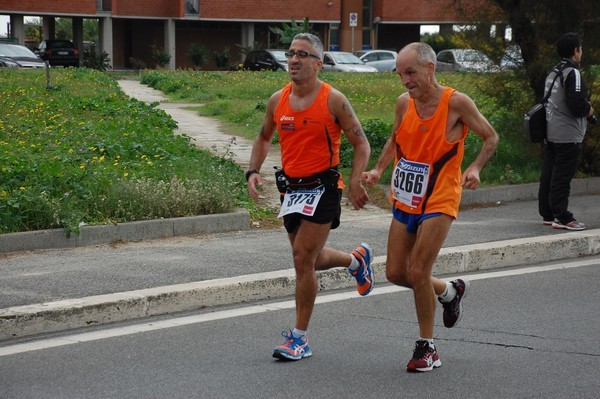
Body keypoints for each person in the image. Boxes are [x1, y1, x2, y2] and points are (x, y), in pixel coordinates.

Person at [361, 42, 499, 372]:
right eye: (400, 74)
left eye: (410, 72)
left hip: (441, 196)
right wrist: (379, 169)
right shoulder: (402, 104)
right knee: (396, 272)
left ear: (430, 69)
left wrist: (476, 167)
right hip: (407, 197)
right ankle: (449, 291)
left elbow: (490, 137)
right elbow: (395, 138)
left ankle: (428, 347)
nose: (404, 80)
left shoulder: (456, 103)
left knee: (419, 270)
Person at [246, 33, 373, 361]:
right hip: (292, 188)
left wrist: (357, 180)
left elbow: (361, 143)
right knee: (310, 260)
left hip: (325, 186)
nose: (294, 60)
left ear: (318, 64)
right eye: (291, 53)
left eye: (303, 55)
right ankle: (356, 261)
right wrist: (253, 170)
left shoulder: (334, 100)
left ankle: (299, 338)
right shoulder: (278, 100)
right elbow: (262, 137)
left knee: (302, 258)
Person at [538, 32, 595, 231]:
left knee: (549, 173)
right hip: (568, 134)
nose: (581, 51)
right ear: (575, 51)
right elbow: (576, 104)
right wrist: (588, 109)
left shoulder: (554, 71)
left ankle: (548, 213)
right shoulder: (573, 72)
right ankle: (563, 217)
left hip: (552, 131)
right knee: (562, 176)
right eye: (580, 48)